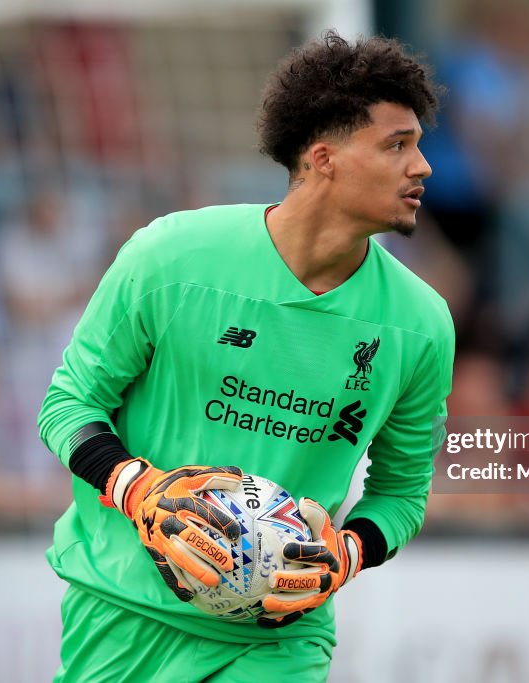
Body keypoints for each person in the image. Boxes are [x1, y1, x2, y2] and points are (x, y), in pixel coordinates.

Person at [37, 30, 455, 682]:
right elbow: (68, 404)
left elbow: (401, 493)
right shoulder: (170, 259)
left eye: (419, 145)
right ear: (324, 159)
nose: (422, 166)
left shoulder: (422, 324)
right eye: (397, 145)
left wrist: (345, 552)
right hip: (122, 614)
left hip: (279, 640)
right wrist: (141, 489)